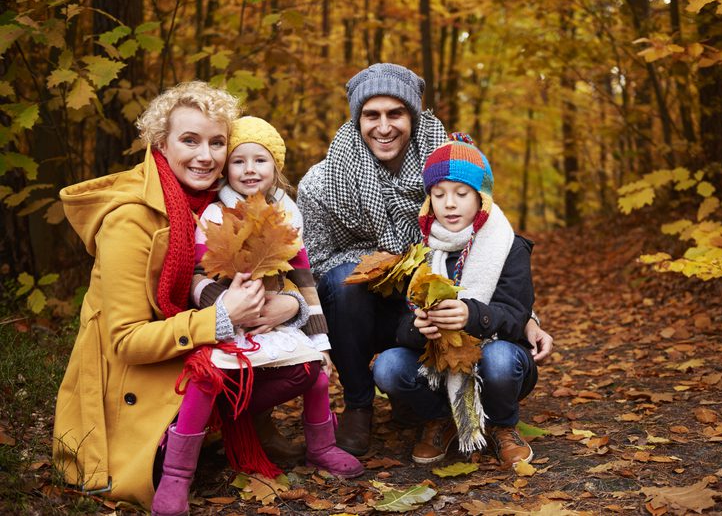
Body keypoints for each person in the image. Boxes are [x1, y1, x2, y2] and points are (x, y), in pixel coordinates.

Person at [51, 82, 318, 515]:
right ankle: (194, 435)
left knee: (304, 369)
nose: (206, 156)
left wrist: (291, 304)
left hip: (192, 350)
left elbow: (270, 273)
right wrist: (221, 318)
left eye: (216, 143)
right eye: (189, 140)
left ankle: (223, 422)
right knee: (156, 461)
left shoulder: (219, 204)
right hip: (134, 379)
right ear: (161, 142)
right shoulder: (130, 220)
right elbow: (127, 341)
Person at [297, 63, 554, 457]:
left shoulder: (443, 161)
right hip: (365, 307)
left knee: (498, 357)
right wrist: (383, 265)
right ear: (357, 118)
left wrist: (527, 319)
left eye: (395, 113)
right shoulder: (323, 182)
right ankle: (360, 405)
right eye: (371, 115)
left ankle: (461, 415)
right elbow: (314, 263)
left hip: (439, 297)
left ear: (413, 117)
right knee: (345, 281)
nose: (384, 126)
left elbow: (487, 241)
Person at [189, 115, 363, 479]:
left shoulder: (287, 215)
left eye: (260, 160)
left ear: (275, 166)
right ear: (226, 169)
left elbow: (303, 279)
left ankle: (322, 447)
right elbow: (199, 274)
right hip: (229, 320)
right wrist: (227, 307)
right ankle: (230, 424)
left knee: (315, 375)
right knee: (218, 378)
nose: (249, 170)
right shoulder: (215, 214)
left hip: (275, 317)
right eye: (238, 161)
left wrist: (320, 340)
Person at [373, 133, 538, 468]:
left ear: (481, 199)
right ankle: (440, 419)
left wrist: (470, 315)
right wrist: (418, 327)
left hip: (496, 354)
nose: (449, 203)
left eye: (462, 194)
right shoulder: (421, 251)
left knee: (501, 360)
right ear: (428, 200)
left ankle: (502, 424)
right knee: (388, 366)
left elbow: (515, 315)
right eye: (439, 194)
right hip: (438, 361)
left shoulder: (509, 246)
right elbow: (400, 323)